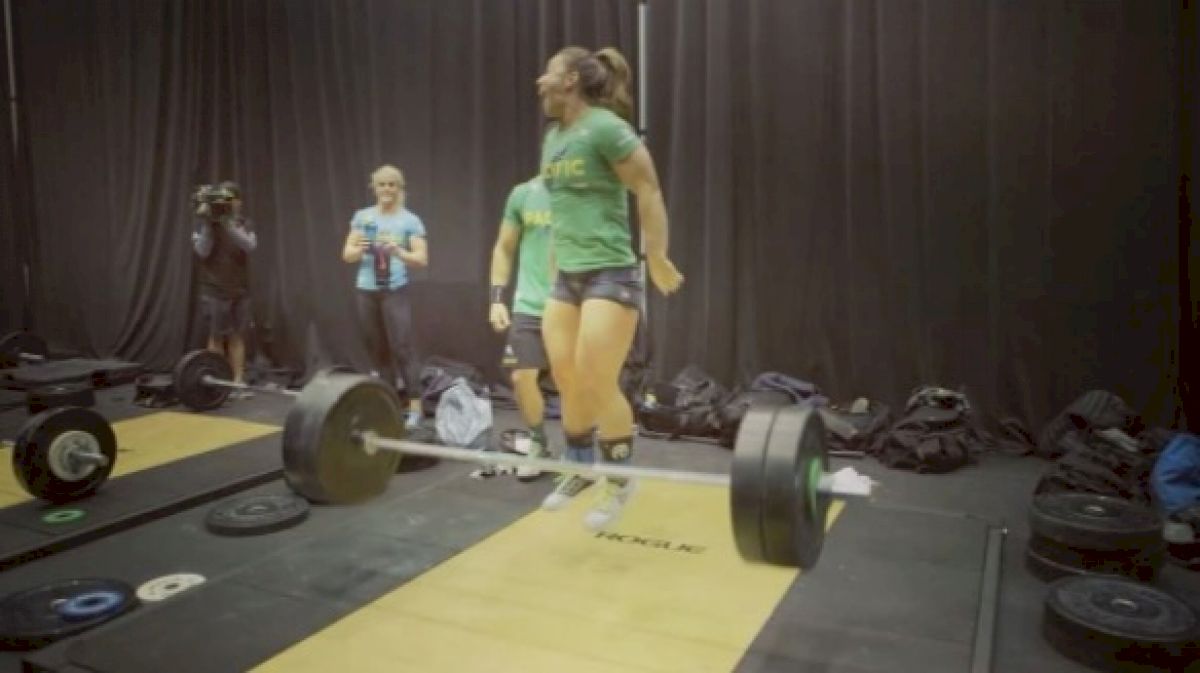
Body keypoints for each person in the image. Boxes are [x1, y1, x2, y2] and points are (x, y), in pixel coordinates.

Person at [534, 46, 684, 529]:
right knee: (565, 378)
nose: (540, 81)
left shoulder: (606, 128)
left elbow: (649, 188)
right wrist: (555, 269)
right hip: (567, 275)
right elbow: (561, 211)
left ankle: (620, 478)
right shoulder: (553, 137)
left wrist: (656, 256)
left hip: (610, 273)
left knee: (596, 379)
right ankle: (578, 465)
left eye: (549, 73)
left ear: (571, 79)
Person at [341, 164, 429, 430]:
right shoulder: (363, 217)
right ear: (375, 188)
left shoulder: (410, 220)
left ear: (399, 188)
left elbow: (422, 259)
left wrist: (398, 252)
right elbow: (347, 255)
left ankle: (415, 407)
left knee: (402, 348)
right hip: (366, 291)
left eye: (392, 184)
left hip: (395, 291)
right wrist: (362, 249)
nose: (387, 189)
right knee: (377, 351)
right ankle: (390, 405)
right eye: (382, 184)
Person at [488, 174, 555, 481]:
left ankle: (583, 449)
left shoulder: (588, 192)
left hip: (573, 306)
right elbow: (504, 248)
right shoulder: (523, 193)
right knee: (521, 375)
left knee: (578, 383)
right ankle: (539, 444)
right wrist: (497, 299)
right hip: (529, 306)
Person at [192, 181, 257, 395]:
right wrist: (211, 224)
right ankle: (219, 383)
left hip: (239, 289)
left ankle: (237, 381)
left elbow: (249, 246)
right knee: (216, 337)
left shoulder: (244, 223)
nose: (226, 203)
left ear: (239, 202)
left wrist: (228, 223)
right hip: (214, 289)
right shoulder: (206, 224)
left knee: (238, 336)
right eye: (223, 200)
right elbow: (202, 251)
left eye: (230, 199)